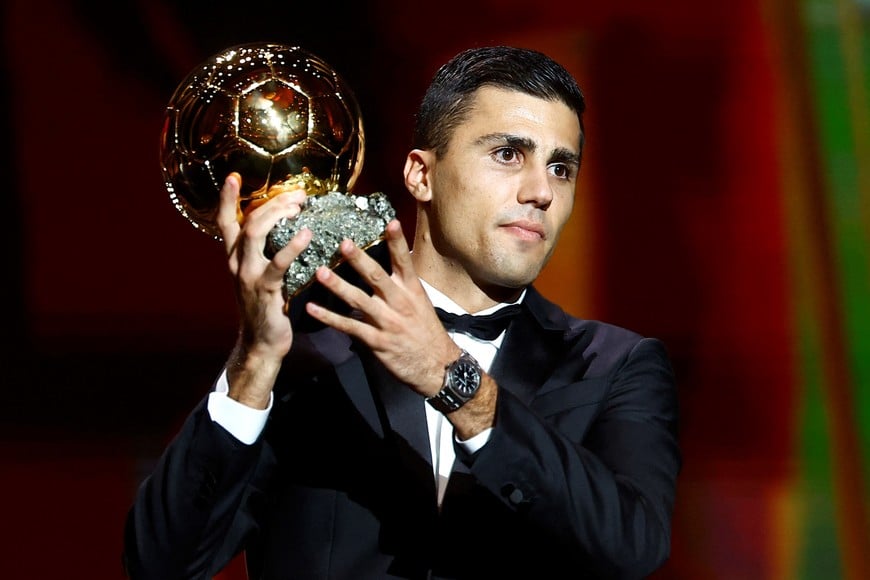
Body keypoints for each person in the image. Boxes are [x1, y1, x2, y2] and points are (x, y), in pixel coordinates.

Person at [123, 45, 681, 579]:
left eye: (562, 167)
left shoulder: (615, 367)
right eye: (508, 154)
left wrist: (452, 377)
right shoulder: (310, 352)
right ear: (420, 174)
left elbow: (632, 545)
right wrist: (255, 361)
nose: (541, 191)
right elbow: (163, 563)